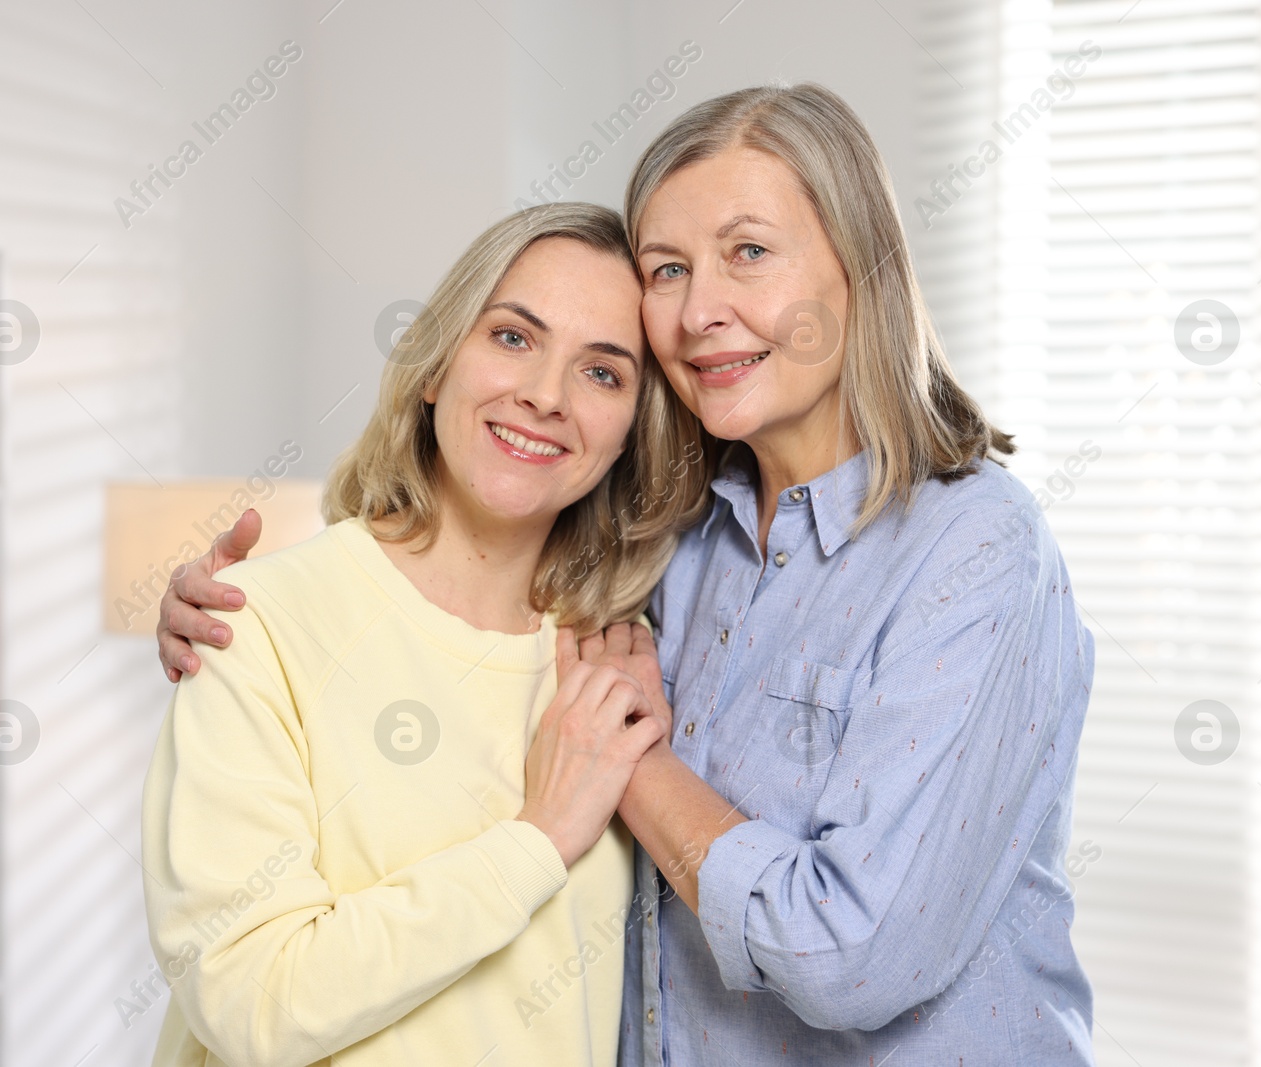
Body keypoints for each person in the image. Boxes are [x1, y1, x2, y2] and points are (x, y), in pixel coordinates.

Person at [159, 84, 1097, 1065]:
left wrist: (629, 765)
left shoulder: (974, 547)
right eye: (668, 268)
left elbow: (849, 954)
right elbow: (417, 598)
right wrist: (234, 625)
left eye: (748, 252)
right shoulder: (670, 546)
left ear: (860, 264)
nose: (700, 311)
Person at [140, 201, 708, 1066]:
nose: (545, 396)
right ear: (436, 364)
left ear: (634, 431)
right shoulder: (255, 624)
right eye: (513, 337)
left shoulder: (620, 657)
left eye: (603, 373)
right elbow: (253, 999)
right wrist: (536, 838)